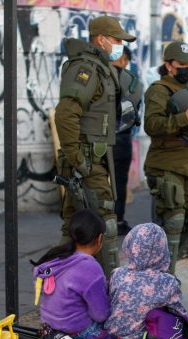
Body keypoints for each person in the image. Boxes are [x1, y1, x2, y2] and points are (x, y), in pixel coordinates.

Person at [54, 16, 136, 277]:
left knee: (73, 228)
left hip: (93, 159)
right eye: (116, 40)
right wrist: (78, 159)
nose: (119, 45)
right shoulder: (86, 69)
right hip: (87, 162)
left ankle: (64, 288)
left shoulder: (102, 68)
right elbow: (66, 114)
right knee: (105, 224)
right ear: (101, 39)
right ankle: (113, 289)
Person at [143, 41, 188, 274]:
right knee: (174, 220)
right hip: (164, 165)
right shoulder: (158, 90)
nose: (187, 68)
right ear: (169, 66)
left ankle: (165, 264)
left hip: (187, 166)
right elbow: (152, 125)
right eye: (182, 64)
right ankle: (166, 276)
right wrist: (184, 119)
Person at [33, 209, 110, 339]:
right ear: (99, 239)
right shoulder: (90, 267)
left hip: (49, 329)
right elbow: (100, 314)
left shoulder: (58, 259)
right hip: (74, 333)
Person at [104, 223, 186, 339]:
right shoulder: (168, 282)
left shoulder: (117, 274)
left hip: (111, 338)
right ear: (163, 250)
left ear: (130, 245)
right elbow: (181, 317)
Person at [111, 46, 143, 236]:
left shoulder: (100, 76)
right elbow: (134, 110)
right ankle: (118, 219)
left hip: (100, 138)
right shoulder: (132, 81)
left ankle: (101, 221)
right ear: (124, 60)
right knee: (119, 182)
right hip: (122, 137)